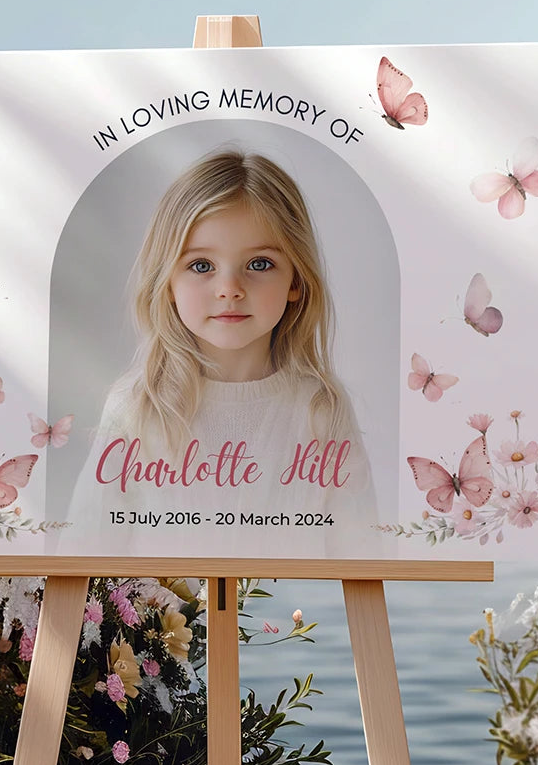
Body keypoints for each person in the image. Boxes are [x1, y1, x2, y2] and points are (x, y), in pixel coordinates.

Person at [60, 149, 377, 555]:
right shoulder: (136, 408)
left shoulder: (322, 410)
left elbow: (363, 558)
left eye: (260, 264)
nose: (230, 288)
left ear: (296, 281)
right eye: (201, 266)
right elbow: (84, 554)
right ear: (168, 282)